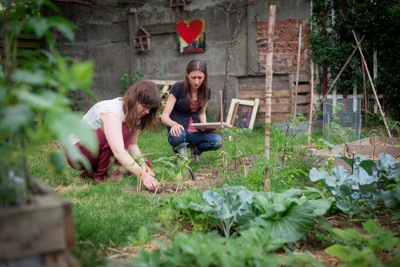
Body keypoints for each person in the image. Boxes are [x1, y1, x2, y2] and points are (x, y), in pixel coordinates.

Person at [66, 80, 161, 191]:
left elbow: (132, 144)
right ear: (134, 98)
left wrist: (142, 164)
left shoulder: (136, 115)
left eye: (150, 109)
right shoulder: (112, 111)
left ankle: (91, 173)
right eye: (144, 106)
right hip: (77, 153)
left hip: (94, 151)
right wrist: (144, 176)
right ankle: (100, 176)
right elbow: (118, 152)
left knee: (146, 166)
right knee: (123, 130)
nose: (147, 112)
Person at [161, 59, 222, 160]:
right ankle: (181, 155)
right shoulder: (178, 88)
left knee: (218, 141)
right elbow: (164, 116)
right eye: (193, 77)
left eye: (200, 77)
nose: (197, 81)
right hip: (180, 132)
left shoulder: (206, 91)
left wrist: (206, 126)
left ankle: (196, 150)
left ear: (205, 76)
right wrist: (174, 124)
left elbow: (202, 114)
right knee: (178, 137)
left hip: (196, 133)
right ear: (186, 75)